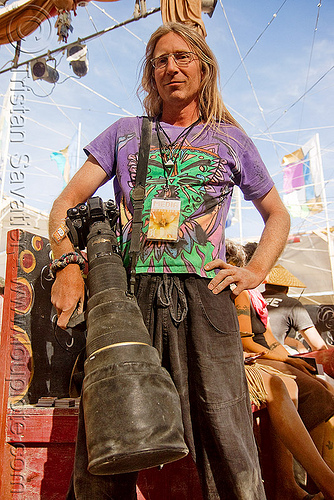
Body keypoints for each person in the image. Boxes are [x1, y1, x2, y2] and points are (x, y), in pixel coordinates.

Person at [49, 22, 291, 500]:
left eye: (182, 57)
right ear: (149, 74)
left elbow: (277, 214)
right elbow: (64, 205)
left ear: (204, 66)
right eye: (160, 60)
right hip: (129, 298)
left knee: (226, 429)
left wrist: (255, 271)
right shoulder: (122, 135)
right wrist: (68, 262)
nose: (171, 68)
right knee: (113, 423)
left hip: (207, 297)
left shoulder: (230, 140)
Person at [226, 241, 334, 500]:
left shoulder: (254, 296)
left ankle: (313, 480)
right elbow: (248, 341)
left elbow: (271, 339)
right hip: (254, 359)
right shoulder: (242, 293)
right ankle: (299, 482)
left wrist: (292, 359)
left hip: (264, 356)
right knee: (299, 387)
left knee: (317, 386)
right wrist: (287, 360)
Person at [262, 265, 329, 352]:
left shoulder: (252, 299)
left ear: (266, 285)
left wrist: (297, 343)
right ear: (287, 289)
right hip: (271, 356)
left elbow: (270, 334)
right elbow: (318, 346)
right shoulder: (291, 304)